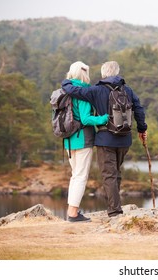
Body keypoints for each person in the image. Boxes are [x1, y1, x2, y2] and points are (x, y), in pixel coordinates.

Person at [61, 61, 148, 217]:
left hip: (105, 139)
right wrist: (142, 129)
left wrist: (66, 81)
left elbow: (73, 90)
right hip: (124, 139)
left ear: (102, 73)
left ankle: (114, 211)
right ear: (117, 72)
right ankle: (116, 206)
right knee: (116, 173)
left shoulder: (96, 90)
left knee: (109, 175)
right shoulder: (127, 90)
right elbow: (139, 109)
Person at [64, 61, 109, 222]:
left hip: (68, 140)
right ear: (84, 74)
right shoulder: (82, 92)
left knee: (75, 176)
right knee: (81, 176)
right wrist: (104, 118)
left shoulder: (65, 91)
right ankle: (73, 214)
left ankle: (71, 211)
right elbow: (85, 118)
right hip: (83, 138)